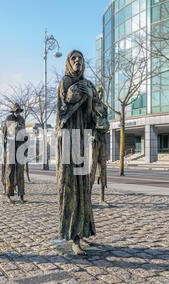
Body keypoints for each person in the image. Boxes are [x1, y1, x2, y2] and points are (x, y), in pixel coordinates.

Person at [56, 50, 99, 256]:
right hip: (68, 139)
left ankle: (81, 232)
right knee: (69, 186)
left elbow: (93, 117)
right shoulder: (64, 82)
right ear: (68, 63)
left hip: (82, 139)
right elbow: (62, 111)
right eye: (73, 58)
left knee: (83, 187)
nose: (77, 61)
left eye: (80, 58)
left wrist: (90, 99)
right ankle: (72, 234)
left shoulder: (89, 85)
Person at [2, 103, 27, 204]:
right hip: (11, 145)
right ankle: (8, 194)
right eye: (16, 110)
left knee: (20, 170)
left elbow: (24, 132)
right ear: (13, 111)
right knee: (10, 170)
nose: (17, 112)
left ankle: (21, 194)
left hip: (20, 145)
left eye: (19, 111)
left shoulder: (22, 119)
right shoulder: (8, 118)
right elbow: (5, 132)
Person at [90, 87, 110, 202]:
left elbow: (106, 121)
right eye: (98, 92)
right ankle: (88, 197)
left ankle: (102, 197)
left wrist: (105, 127)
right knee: (91, 169)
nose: (100, 94)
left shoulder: (104, 107)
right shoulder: (89, 107)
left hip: (103, 139)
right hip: (94, 139)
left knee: (103, 168)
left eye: (102, 92)